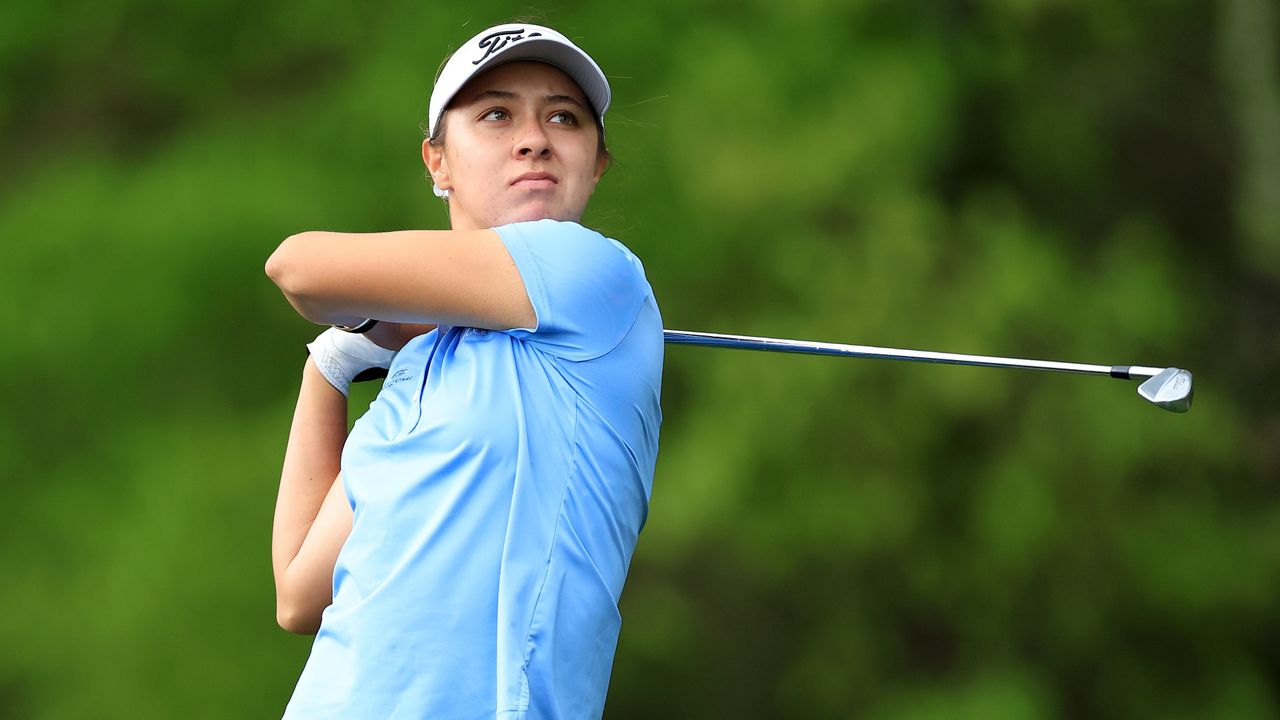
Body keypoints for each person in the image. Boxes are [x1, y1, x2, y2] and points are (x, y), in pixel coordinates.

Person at [264, 23, 663, 719]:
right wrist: (331, 364)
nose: (534, 137)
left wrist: (375, 314)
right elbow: (300, 593)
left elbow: (299, 268)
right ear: (438, 162)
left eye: (564, 118)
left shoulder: (590, 270)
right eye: (496, 114)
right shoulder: (419, 366)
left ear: (596, 164)